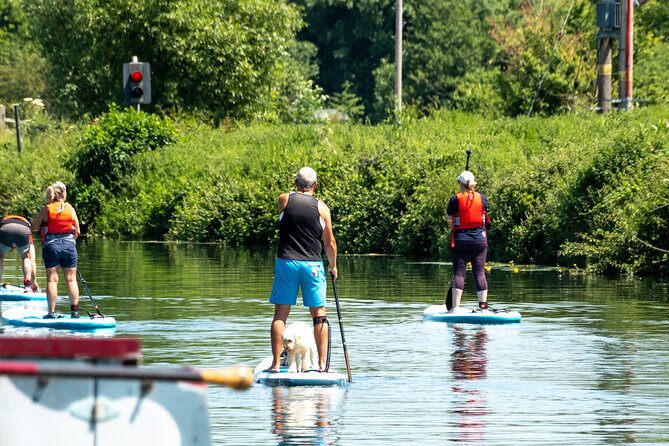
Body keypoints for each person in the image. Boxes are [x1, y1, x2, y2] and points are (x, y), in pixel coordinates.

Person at [265, 167, 338, 373]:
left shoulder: (284, 200)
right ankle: (322, 365)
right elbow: (330, 242)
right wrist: (332, 266)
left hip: (287, 262)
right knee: (319, 315)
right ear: (315, 185)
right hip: (313, 265)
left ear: (296, 183)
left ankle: (276, 364)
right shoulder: (322, 208)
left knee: (280, 315)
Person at [31, 181, 81, 319]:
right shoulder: (70, 208)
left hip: (51, 246)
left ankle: (51, 313)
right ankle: (74, 312)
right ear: (63, 193)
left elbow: (34, 227)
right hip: (69, 246)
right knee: (71, 280)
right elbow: (77, 230)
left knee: (52, 280)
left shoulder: (46, 209)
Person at [446, 171, 491, 313]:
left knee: (459, 274)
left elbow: (449, 217)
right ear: (472, 184)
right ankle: (483, 307)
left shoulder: (455, 199)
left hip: (461, 241)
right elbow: (483, 211)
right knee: (480, 273)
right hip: (480, 241)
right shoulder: (482, 198)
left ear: (461, 184)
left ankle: (455, 308)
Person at [0, 215, 40, 291]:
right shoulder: (28, 229)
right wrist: (34, 280)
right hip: (24, 230)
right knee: (26, 257)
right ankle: (28, 285)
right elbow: (32, 261)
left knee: (0, 256)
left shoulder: (3, 221)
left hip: (6, 228)